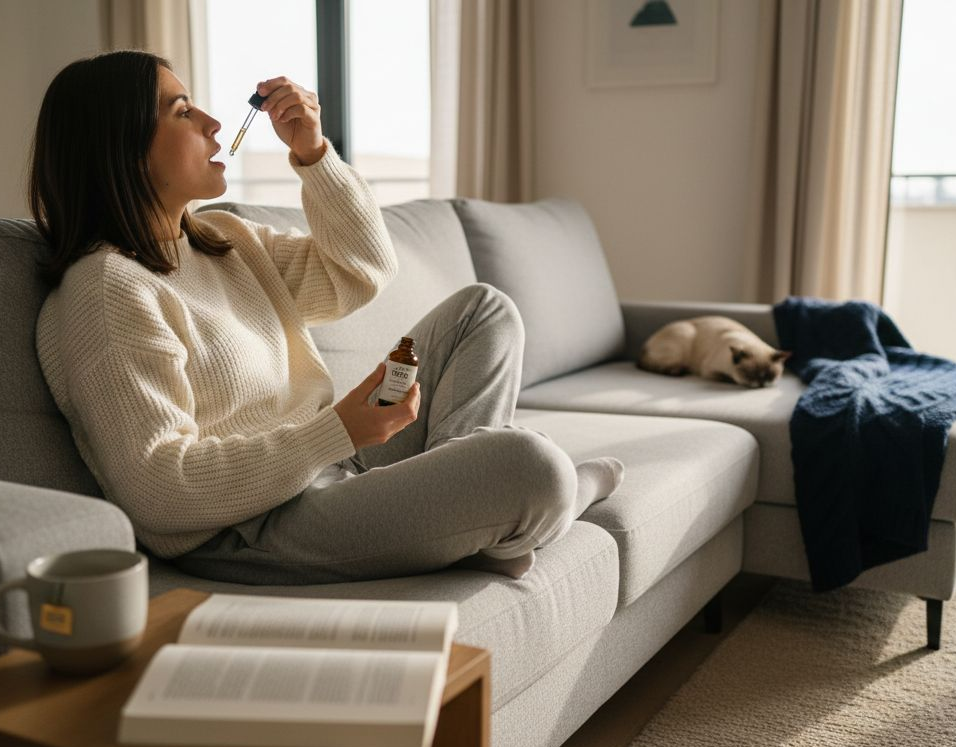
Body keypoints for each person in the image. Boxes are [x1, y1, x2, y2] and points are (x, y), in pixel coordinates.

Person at [30, 50, 623, 585]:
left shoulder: (224, 240)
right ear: (120, 147)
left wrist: (313, 154)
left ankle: (484, 526)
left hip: (336, 467)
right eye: (182, 111)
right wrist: (339, 428)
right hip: (251, 526)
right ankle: (515, 512)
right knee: (534, 466)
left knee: (484, 310)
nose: (213, 123)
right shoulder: (106, 291)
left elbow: (360, 269)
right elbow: (160, 489)